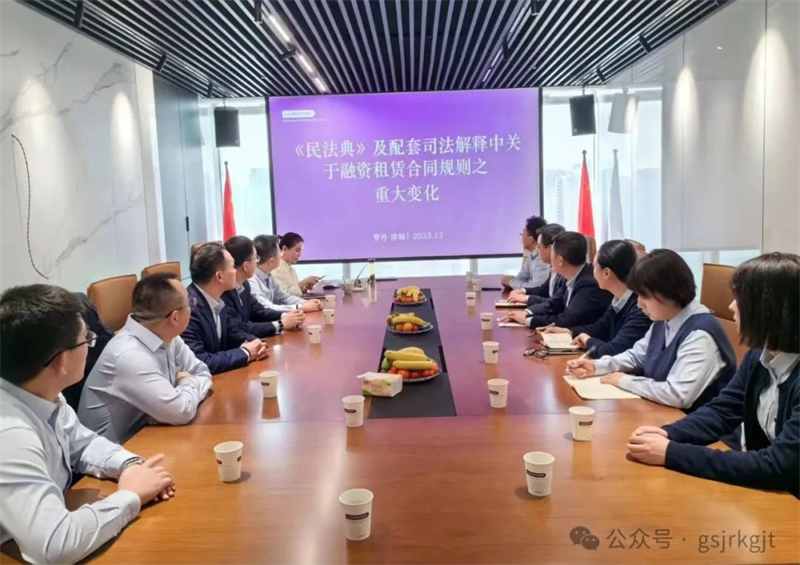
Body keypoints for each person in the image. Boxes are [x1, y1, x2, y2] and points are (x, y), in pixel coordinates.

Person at [0, 285, 175, 564]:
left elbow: (83, 443)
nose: (91, 346)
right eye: (87, 340)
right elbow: (56, 546)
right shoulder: (10, 434)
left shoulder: (41, 391)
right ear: (62, 361)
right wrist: (130, 496)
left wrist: (129, 466)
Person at [626, 253, 799, 497]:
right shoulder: (758, 357)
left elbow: (778, 466)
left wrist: (671, 453)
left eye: (739, 299)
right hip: (772, 495)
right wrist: (669, 433)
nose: (731, 307)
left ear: (769, 309)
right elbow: (722, 411)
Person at [567, 249, 737, 412]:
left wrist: (625, 381)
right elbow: (636, 356)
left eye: (644, 296)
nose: (639, 304)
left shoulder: (700, 335)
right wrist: (597, 366)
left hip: (697, 427)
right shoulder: (664, 318)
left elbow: (678, 394)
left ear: (668, 292)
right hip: (662, 414)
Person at [78, 273, 212, 443]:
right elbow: (182, 412)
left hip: (151, 437)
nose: (192, 307)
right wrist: (186, 382)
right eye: (190, 303)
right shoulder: (129, 356)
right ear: (175, 317)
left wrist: (173, 400)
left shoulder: (169, 335)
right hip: (118, 450)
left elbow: (202, 372)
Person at [542, 240, 651, 358]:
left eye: (594, 267)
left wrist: (587, 340)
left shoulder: (640, 307)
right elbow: (599, 328)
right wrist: (570, 332)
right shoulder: (617, 298)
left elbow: (614, 350)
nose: (592, 272)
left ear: (606, 273)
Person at [181, 242, 268, 374]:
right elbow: (200, 361)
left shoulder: (217, 299)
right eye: (232, 266)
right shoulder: (189, 309)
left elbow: (232, 332)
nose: (236, 271)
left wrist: (256, 343)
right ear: (219, 276)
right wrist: (246, 352)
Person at [501, 231, 612, 329]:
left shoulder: (589, 284)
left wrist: (529, 320)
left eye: (552, 252)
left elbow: (568, 320)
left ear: (559, 260)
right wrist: (526, 314)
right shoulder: (570, 275)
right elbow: (554, 303)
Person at [223, 236, 304, 337]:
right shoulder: (225, 292)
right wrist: (281, 324)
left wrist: (286, 316)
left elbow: (258, 311)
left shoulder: (244, 285)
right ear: (246, 266)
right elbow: (239, 327)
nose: (258, 262)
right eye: (256, 258)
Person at [250, 234, 323, 313]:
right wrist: (301, 307)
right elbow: (266, 308)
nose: (281, 255)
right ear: (271, 261)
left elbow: (284, 297)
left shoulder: (268, 276)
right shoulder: (252, 280)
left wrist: (306, 303)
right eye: (279, 252)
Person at [507, 223, 565, 306]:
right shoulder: (554, 269)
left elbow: (556, 304)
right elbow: (544, 289)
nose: (537, 250)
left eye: (539, 246)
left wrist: (527, 299)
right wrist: (523, 291)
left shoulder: (564, 273)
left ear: (551, 248)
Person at [501, 215, 551, 290]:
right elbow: (521, 278)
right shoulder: (532, 255)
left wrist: (511, 282)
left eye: (522, 234)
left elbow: (535, 287)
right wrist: (512, 281)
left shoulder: (543, 259)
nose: (521, 238)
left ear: (531, 239)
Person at [272, 232, 321, 297]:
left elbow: (293, 292)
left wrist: (304, 289)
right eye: (297, 250)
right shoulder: (276, 269)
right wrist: (302, 283)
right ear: (284, 249)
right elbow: (283, 297)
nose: (299, 255)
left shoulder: (291, 269)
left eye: (300, 251)